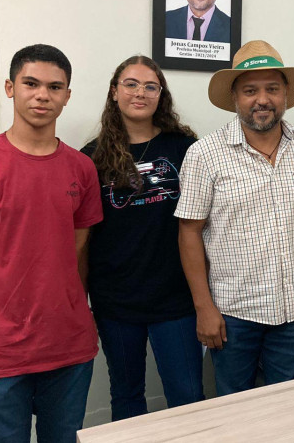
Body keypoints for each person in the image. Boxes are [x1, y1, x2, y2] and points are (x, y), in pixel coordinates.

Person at [0, 44, 102, 443]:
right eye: (31, 83)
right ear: (10, 88)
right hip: (0, 351)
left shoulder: (82, 168)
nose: (42, 95)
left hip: (69, 346)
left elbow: (78, 248)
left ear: (67, 96)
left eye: (54, 87)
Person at [176, 39, 294, 396]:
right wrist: (203, 308)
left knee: (289, 409)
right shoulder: (205, 155)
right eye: (250, 90)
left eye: (272, 89)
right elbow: (189, 232)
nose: (262, 99)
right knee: (235, 411)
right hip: (233, 315)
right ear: (235, 97)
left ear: (286, 94)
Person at [81, 55, 204, 421]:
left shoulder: (185, 148)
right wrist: (81, 300)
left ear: (160, 95)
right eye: (131, 84)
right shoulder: (91, 157)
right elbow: (82, 240)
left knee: (188, 396)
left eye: (151, 86)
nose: (140, 92)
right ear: (114, 92)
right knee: (127, 395)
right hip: (115, 301)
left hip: (176, 299)